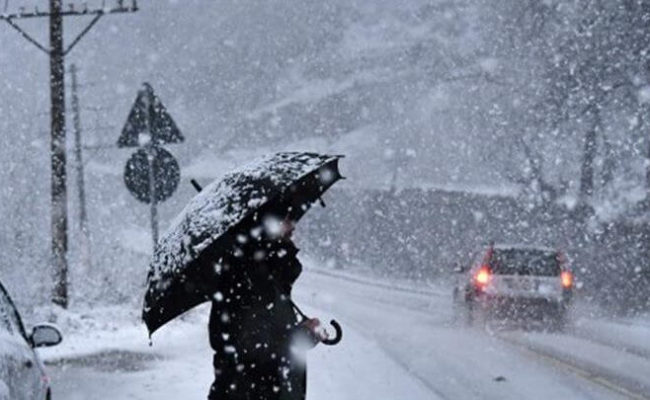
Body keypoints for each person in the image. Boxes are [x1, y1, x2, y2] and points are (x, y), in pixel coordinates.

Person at [207, 215, 329, 400]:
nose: (293, 225)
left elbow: (270, 335)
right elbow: (251, 349)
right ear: (264, 224)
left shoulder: (265, 272)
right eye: (285, 217)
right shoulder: (246, 274)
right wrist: (303, 335)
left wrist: (302, 332)